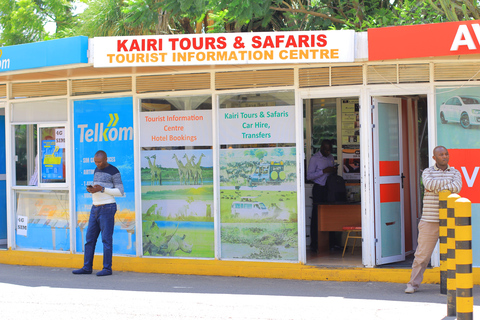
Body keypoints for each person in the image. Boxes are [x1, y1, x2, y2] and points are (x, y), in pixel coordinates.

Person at [405, 146, 462, 293]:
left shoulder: (455, 172)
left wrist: (437, 188)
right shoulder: (427, 172)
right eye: (441, 155)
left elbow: (458, 186)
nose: (445, 156)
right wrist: (448, 187)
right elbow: (429, 184)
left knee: (454, 255)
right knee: (422, 256)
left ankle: (455, 284)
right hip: (430, 220)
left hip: (450, 219)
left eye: (446, 154)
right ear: (434, 158)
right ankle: (412, 284)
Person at [73, 150, 124, 276]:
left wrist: (102, 189)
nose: (97, 164)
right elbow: (98, 188)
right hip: (95, 207)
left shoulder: (114, 171)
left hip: (107, 207)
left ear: (106, 159)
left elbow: (120, 191)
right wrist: (92, 189)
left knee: (106, 240)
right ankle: (87, 267)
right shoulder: (96, 169)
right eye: (95, 162)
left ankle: (107, 268)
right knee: (89, 239)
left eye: (99, 162)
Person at [307, 140, 339, 251]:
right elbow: (309, 176)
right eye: (326, 149)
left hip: (329, 189)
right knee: (317, 216)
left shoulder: (331, 157)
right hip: (319, 188)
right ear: (321, 147)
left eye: (330, 149)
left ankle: (331, 243)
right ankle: (315, 243)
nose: (328, 151)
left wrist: (333, 170)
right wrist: (323, 171)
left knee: (330, 216)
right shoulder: (315, 159)